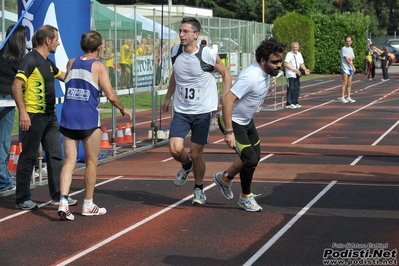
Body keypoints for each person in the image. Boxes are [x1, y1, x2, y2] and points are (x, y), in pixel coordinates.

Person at [57, 30, 132, 220]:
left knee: (69, 161)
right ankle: (88, 204)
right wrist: (123, 109)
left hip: (68, 117)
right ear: (100, 48)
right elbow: (111, 95)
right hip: (88, 119)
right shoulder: (98, 66)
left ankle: (63, 201)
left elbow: (69, 81)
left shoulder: (71, 62)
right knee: (91, 162)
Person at [161, 17, 231, 205]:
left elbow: (225, 73)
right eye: (180, 31)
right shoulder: (175, 52)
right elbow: (176, 74)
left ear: (196, 34)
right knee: (175, 149)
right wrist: (168, 97)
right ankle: (187, 165)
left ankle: (199, 189)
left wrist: (225, 97)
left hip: (203, 111)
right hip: (182, 110)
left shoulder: (207, 54)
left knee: (195, 152)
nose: (181, 35)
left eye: (186, 31)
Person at [212, 38, 286, 212]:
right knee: (250, 159)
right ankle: (245, 197)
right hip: (233, 122)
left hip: (246, 121)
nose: (279, 65)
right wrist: (228, 131)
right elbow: (227, 99)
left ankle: (225, 178)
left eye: (280, 61)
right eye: (275, 62)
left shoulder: (266, 72)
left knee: (254, 157)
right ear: (262, 61)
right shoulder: (251, 77)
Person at [11, 25, 77, 210]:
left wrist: (81, 70)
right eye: (56, 39)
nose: (58, 43)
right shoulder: (30, 60)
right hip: (33, 116)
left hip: (50, 117)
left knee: (55, 156)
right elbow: (16, 86)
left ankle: (58, 195)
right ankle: (22, 198)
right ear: (47, 41)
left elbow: (64, 77)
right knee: (28, 157)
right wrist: (23, 113)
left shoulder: (47, 62)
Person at [0, 25, 27, 193]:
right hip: (6, 101)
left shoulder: (2, 55)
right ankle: (4, 182)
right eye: (25, 38)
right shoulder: (20, 61)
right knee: (3, 142)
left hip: (4, 99)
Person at [284, 42, 311, 109]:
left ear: (298, 48)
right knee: (291, 88)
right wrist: (293, 69)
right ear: (291, 48)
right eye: (293, 47)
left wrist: (305, 69)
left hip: (297, 73)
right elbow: (285, 64)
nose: (295, 49)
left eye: (296, 47)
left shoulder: (299, 54)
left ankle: (295, 102)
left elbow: (301, 63)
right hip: (290, 74)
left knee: (297, 88)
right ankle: (289, 103)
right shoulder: (289, 54)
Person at [340, 36, 356, 104]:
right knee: (345, 82)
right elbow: (346, 59)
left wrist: (351, 59)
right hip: (345, 67)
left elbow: (353, 57)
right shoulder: (343, 49)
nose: (348, 42)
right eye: (347, 41)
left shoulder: (351, 49)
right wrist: (353, 66)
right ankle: (342, 97)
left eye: (349, 41)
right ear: (345, 41)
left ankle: (348, 96)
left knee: (349, 83)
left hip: (350, 68)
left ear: (351, 42)